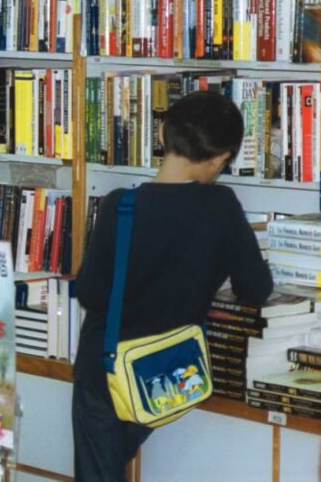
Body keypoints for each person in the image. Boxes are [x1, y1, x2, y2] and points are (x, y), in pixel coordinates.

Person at [72, 90, 273, 482]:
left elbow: (91, 293)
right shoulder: (222, 207)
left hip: (106, 371)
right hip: (169, 372)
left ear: (162, 135)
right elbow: (256, 289)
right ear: (218, 159)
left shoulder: (118, 206)